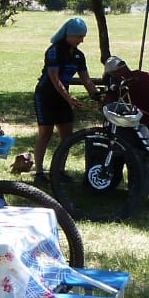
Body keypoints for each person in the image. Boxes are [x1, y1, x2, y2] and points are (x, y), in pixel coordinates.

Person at [32, 17, 102, 179]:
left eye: (83, 36)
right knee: (45, 133)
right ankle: (39, 173)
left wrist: (96, 95)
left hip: (63, 99)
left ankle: (59, 171)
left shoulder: (79, 56)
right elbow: (54, 79)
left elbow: (86, 79)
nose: (81, 40)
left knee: (67, 136)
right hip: (46, 97)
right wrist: (69, 98)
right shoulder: (54, 51)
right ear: (68, 35)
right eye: (79, 37)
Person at [103, 54, 149, 139]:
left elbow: (112, 106)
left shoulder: (126, 84)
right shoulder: (146, 76)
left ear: (116, 73)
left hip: (148, 127)